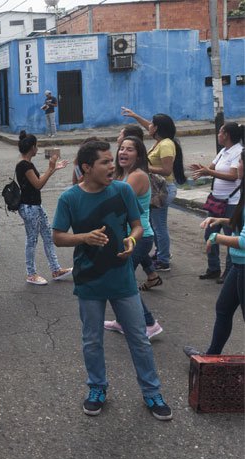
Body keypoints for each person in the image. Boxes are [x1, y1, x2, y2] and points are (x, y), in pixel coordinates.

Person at [52, 141, 172, 421]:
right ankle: (97, 388)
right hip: (89, 279)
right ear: (86, 168)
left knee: (139, 339)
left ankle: (152, 391)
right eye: (105, 162)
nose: (112, 166)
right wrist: (83, 237)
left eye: (111, 160)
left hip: (122, 277)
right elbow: (58, 236)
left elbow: (138, 225)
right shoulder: (69, 198)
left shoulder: (123, 190)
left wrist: (132, 239)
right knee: (92, 340)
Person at [184, 150, 244, 357]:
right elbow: (241, 225)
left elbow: (244, 241)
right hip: (239, 265)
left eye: (240, 161)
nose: (238, 165)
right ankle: (211, 358)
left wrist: (215, 238)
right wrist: (220, 221)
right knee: (223, 308)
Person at [103, 136, 164, 339]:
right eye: (121, 148)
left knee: (123, 281)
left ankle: (150, 323)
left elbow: (115, 202)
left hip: (139, 236)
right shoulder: (123, 174)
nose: (123, 152)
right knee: (119, 279)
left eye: (130, 149)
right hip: (126, 236)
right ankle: (122, 321)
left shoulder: (137, 176)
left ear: (138, 155)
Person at [121, 108, 186, 271]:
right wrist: (135, 116)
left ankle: (164, 259)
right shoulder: (161, 141)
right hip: (157, 189)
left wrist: (145, 167)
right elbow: (148, 125)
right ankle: (159, 253)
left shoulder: (165, 145)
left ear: (156, 128)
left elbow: (167, 170)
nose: (148, 126)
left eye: (152, 124)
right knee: (153, 224)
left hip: (163, 190)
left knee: (159, 226)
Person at [14, 131, 72, 285]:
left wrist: (53, 169)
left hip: (36, 206)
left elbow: (38, 181)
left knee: (47, 236)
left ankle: (56, 269)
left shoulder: (27, 164)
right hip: (29, 207)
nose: (37, 148)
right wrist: (51, 167)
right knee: (32, 240)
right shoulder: (24, 165)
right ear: (32, 147)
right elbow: (38, 184)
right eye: (36, 145)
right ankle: (31, 274)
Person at [190, 122, 243, 283]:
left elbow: (234, 176)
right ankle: (213, 268)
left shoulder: (238, 151)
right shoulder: (223, 151)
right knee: (209, 234)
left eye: (220, 132)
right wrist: (201, 169)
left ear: (226, 135)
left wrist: (208, 171)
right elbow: (211, 168)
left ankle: (229, 272)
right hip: (216, 200)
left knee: (229, 237)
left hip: (231, 201)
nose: (218, 134)